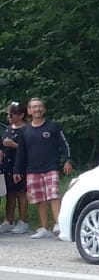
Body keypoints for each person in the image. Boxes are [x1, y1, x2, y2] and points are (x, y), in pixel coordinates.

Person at [19, 97, 72, 238]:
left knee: (53, 195)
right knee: (39, 199)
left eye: (40, 106)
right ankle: (44, 228)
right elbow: (21, 152)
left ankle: (60, 225)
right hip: (32, 169)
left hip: (51, 167)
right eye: (34, 107)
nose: (37, 109)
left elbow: (64, 144)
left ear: (44, 109)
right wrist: (17, 170)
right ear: (29, 110)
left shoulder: (53, 126)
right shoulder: (25, 130)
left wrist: (68, 160)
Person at [2, 103, 29, 233]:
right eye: (7, 114)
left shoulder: (26, 129)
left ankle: (23, 221)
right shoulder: (8, 128)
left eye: (11, 114)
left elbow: (30, 149)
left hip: (21, 165)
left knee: (21, 193)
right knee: (10, 193)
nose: (9, 117)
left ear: (21, 115)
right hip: (7, 164)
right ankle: (9, 220)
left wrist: (14, 145)